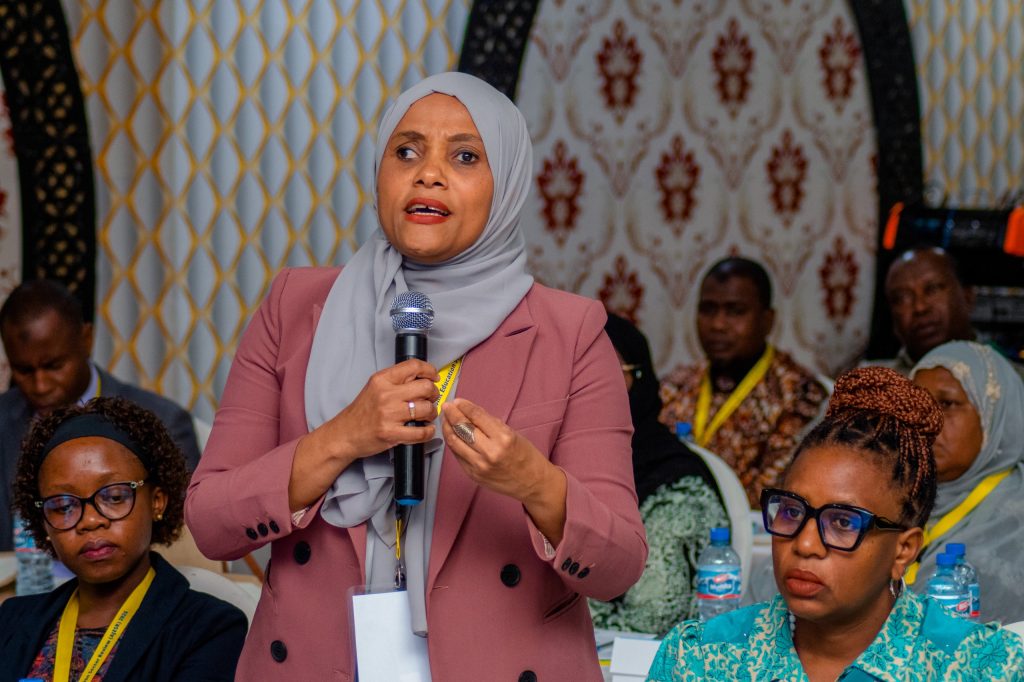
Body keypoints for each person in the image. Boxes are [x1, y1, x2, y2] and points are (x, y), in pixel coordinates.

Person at [184, 72, 647, 680]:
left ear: (507, 182)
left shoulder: (570, 332)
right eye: (406, 151)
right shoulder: (294, 308)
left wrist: (535, 483)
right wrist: (342, 437)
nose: (428, 174)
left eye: (465, 156)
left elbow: (619, 567)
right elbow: (211, 523)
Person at [647, 367, 1024, 681]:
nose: (805, 544)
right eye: (792, 512)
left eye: (843, 522)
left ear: (903, 551)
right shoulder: (701, 660)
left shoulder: (979, 668)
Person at [0, 397, 246, 681]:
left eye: (114, 497)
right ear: (43, 522)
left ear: (157, 502)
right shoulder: (12, 620)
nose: (90, 521)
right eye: (64, 506)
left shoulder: (209, 629)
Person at [0, 279, 201, 551]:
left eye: (54, 366)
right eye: (24, 371)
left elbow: (186, 539)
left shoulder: (165, 420)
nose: (41, 385)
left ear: (86, 339)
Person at [590, 313, 727, 635]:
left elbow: (650, 620)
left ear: (639, 380)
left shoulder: (675, 486)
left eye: (602, 370)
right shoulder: (551, 464)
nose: (585, 386)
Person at [659, 257, 828, 507]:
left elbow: (776, 492)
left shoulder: (800, 395)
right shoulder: (675, 386)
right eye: (708, 309)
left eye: (735, 311)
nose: (718, 325)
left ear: (767, 320)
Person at [908, 340, 1024, 622]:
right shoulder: (892, 494)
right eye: (916, 406)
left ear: (993, 417)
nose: (926, 422)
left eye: (947, 404)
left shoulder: (1015, 518)